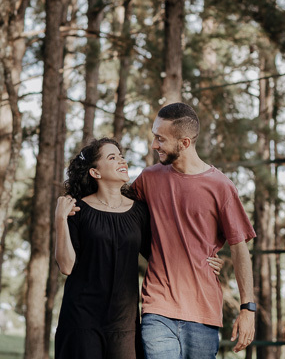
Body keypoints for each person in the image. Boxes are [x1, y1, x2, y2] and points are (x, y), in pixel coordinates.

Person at [53, 137, 222, 359]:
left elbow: (163, 253)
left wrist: (204, 261)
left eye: (121, 156)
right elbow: (66, 266)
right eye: (112, 157)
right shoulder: (78, 210)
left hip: (125, 325)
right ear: (95, 172)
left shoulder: (139, 212)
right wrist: (60, 219)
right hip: (81, 321)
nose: (122, 161)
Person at [131, 102, 257, 358]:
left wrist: (248, 309)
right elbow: (116, 209)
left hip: (203, 312)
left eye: (160, 139)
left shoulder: (220, 186)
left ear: (184, 143)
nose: (154, 145)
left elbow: (239, 247)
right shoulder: (148, 179)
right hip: (158, 308)